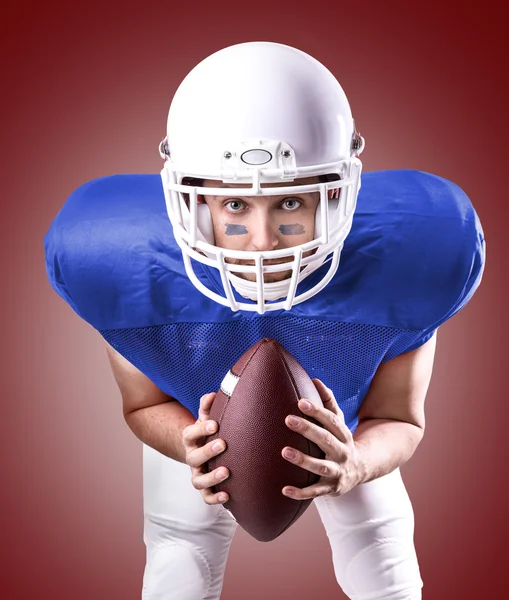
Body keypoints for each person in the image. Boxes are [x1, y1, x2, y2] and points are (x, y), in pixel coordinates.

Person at [44, 41, 486, 600]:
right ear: (192, 198)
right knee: (178, 568)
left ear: (337, 190)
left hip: (337, 423)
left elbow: (399, 417)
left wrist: (354, 463)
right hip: (196, 410)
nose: (262, 240)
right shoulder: (116, 258)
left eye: (291, 203)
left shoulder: (413, 253)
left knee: (386, 567)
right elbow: (144, 404)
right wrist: (194, 445)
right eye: (234, 206)